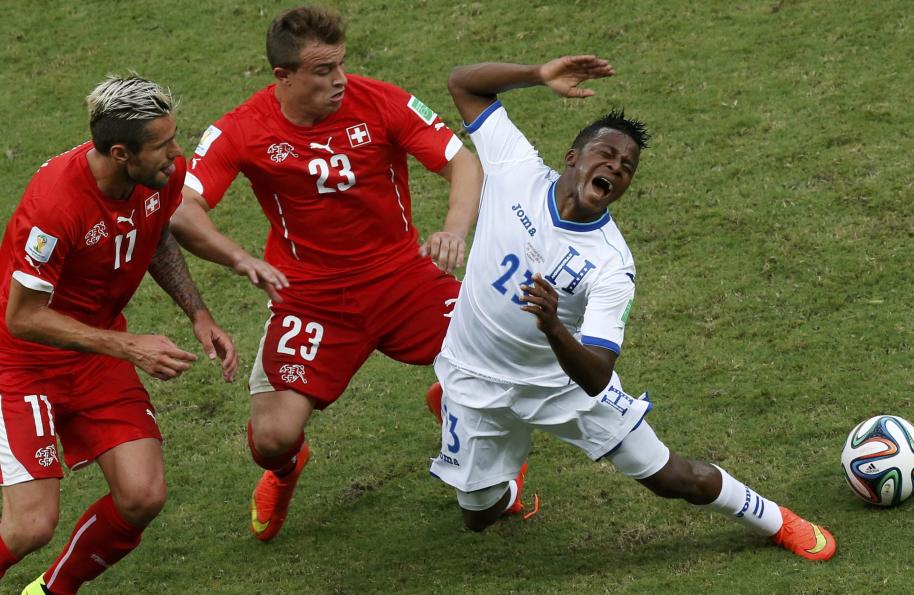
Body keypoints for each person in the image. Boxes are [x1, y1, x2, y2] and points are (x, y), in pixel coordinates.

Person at [429, 55, 837, 562]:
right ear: (573, 156)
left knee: (672, 477)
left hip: (561, 388)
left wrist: (554, 326)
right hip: (475, 375)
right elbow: (462, 84)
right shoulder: (515, 167)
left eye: (626, 169)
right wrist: (538, 76)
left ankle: (778, 521)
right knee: (477, 517)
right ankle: (500, 475)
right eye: (606, 154)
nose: (615, 169)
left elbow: (597, 376)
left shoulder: (611, 266)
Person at [169, 5, 482, 542]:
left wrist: (453, 227)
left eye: (340, 64)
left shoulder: (380, 100)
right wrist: (239, 257)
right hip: (311, 299)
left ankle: (483, 450)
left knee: (500, 363)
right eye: (321, 70)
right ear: (283, 77)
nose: (339, 80)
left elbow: (463, 161)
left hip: (405, 279)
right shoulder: (242, 130)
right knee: (272, 436)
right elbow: (182, 210)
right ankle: (286, 470)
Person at [0, 75, 237, 594]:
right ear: (119, 153)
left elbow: (154, 237)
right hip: (22, 365)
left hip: (96, 352)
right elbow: (22, 317)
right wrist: (129, 346)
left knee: (142, 494)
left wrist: (198, 313)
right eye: (162, 144)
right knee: (29, 527)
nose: (177, 153)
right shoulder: (55, 206)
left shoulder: (158, 176)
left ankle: (51, 592)